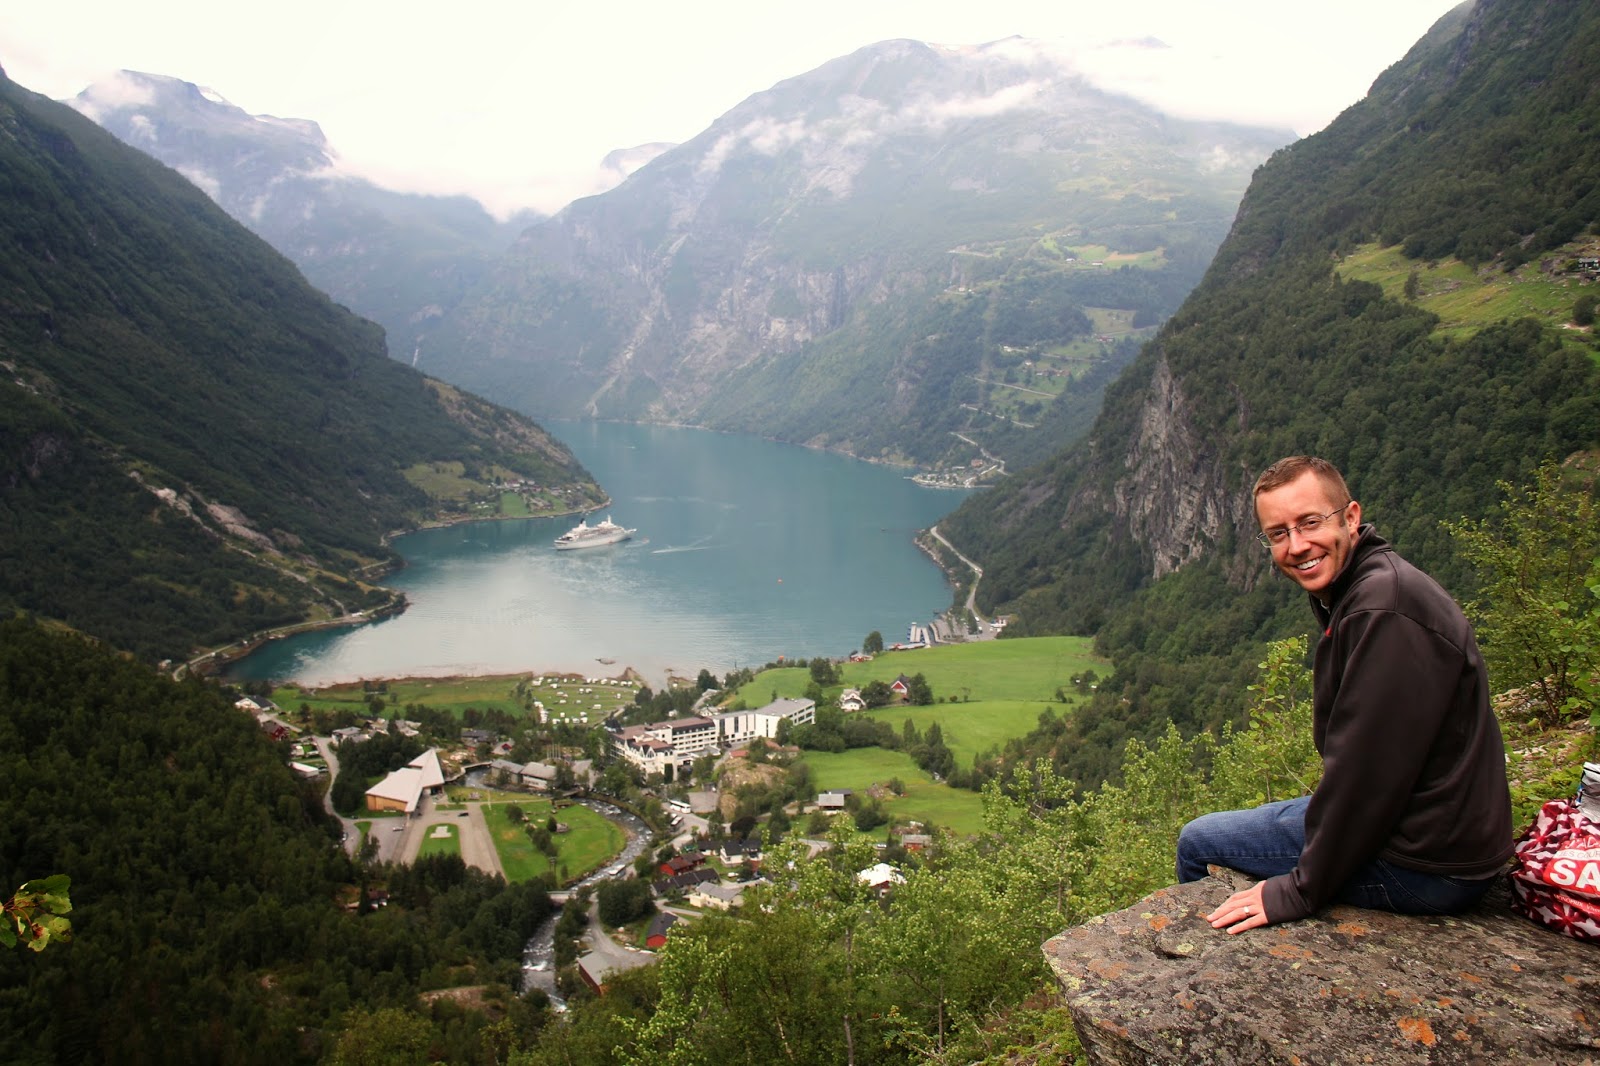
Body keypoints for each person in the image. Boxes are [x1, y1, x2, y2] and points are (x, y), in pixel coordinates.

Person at [1177, 455, 1513, 934]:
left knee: (1198, 843)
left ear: (1350, 517)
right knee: (1237, 827)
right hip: (1431, 826)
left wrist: (1299, 889)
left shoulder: (1384, 612)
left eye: (1310, 522)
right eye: (1278, 533)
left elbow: (1369, 774)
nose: (1297, 545)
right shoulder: (1370, 588)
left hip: (1426, 861)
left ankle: (1203, 961)